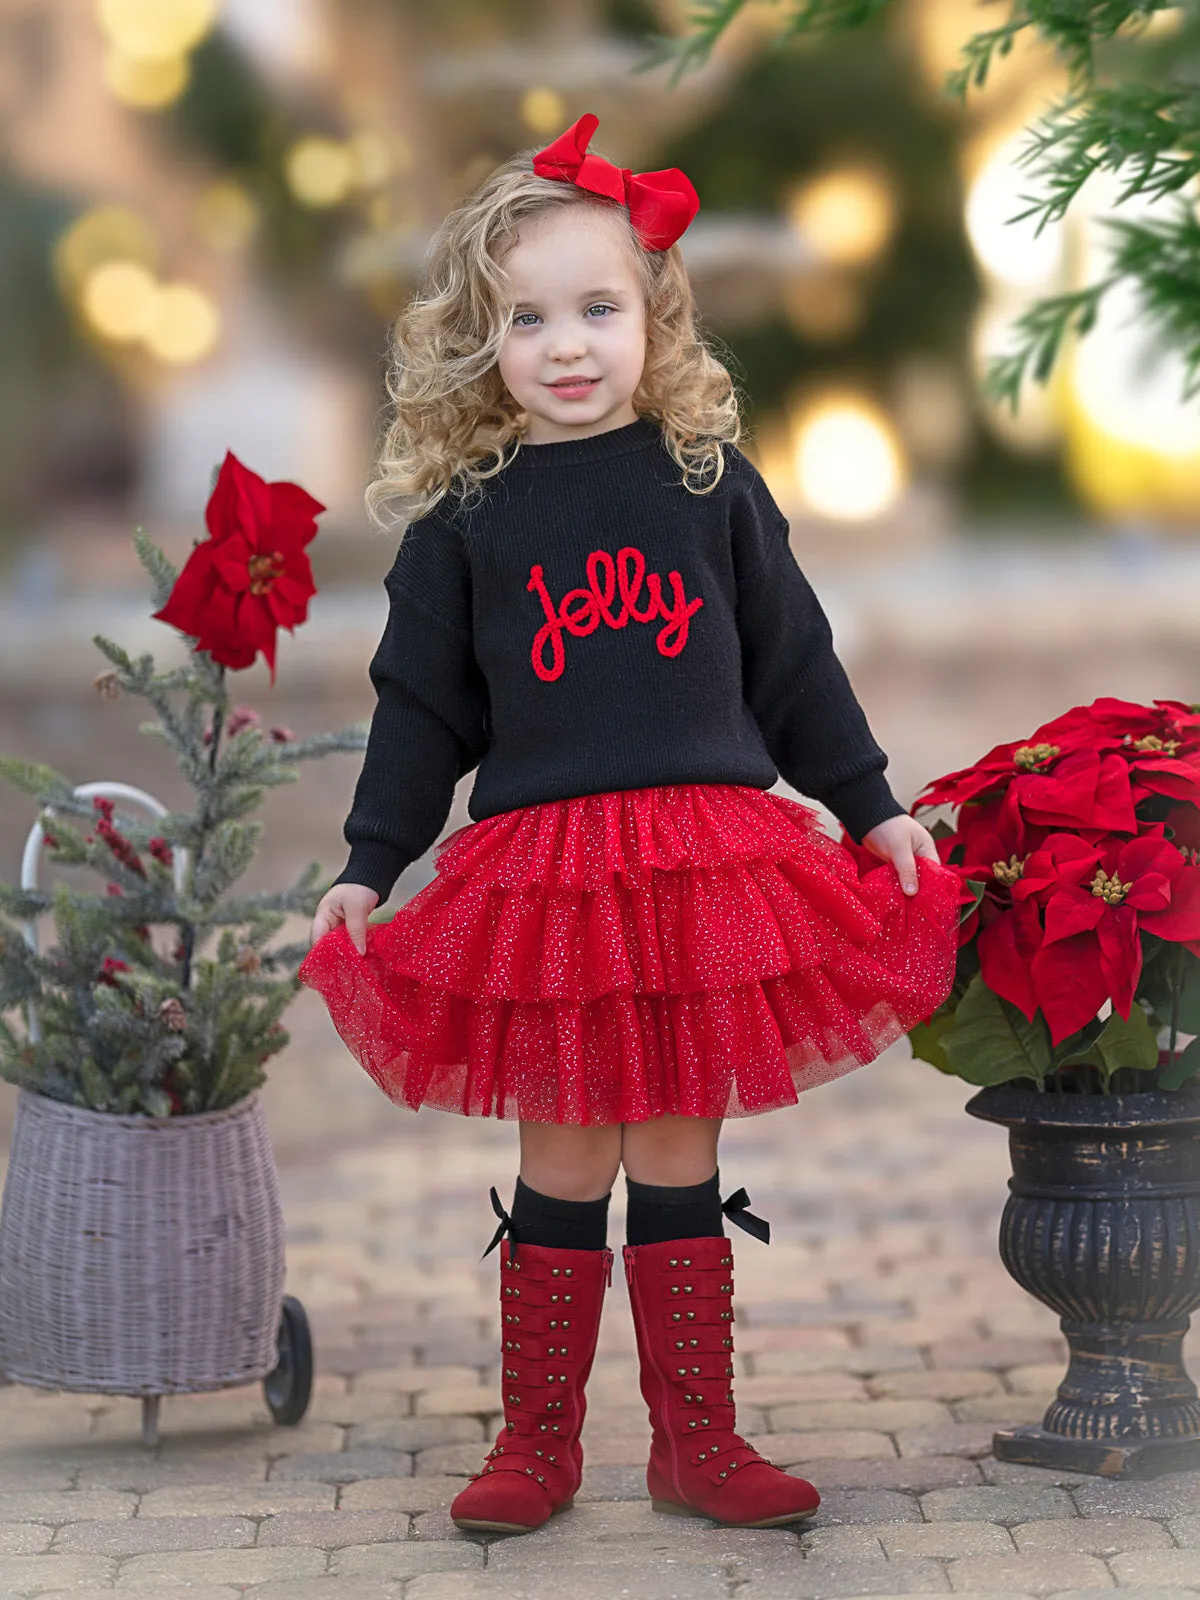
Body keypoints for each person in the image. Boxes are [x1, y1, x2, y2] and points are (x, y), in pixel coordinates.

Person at [299, 112, 959, 1536]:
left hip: (708, 869)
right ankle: (538, 1440)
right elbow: (422, 714)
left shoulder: (710, 490)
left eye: (599, 308)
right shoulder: (466, 526)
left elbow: (794, 666)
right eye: (527, 319)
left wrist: (872, 807)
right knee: (565, 1158)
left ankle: (697, 1442)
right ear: (481, 343)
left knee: (677, 1152)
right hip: (550, 889)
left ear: (656, 320)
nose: (569, 344)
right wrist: (368, 864)